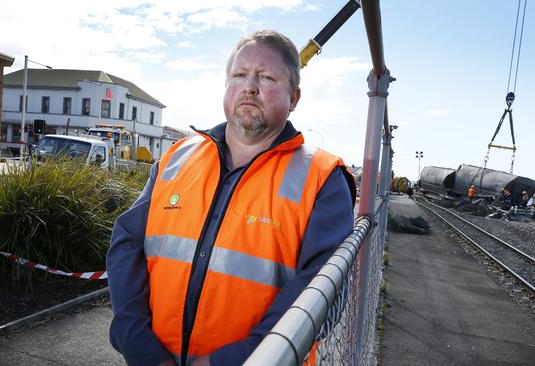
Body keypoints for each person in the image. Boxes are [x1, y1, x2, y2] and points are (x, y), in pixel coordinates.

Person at [106, 29, 356, 366]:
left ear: (294, 97)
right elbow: (126, 245)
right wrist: (138, 344)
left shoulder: (323, 180)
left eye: (266, 77)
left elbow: (321, 295)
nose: (249, 86)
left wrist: (227, 362)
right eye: (239, 74)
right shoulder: (176, 158)